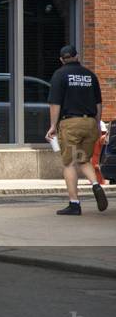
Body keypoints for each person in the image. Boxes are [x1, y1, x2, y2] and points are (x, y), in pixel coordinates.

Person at [46, 45, 108, 216]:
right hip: (89, 123)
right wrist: (96, 123)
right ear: (77, 56)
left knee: (69, 163)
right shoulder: (90, 75)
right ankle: (95, 184)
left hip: (70, 124)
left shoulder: (59, 75)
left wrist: (53, 126)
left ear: (61, 60)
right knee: (83, 159)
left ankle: (74, 204)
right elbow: (98, 103)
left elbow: (55, 103)